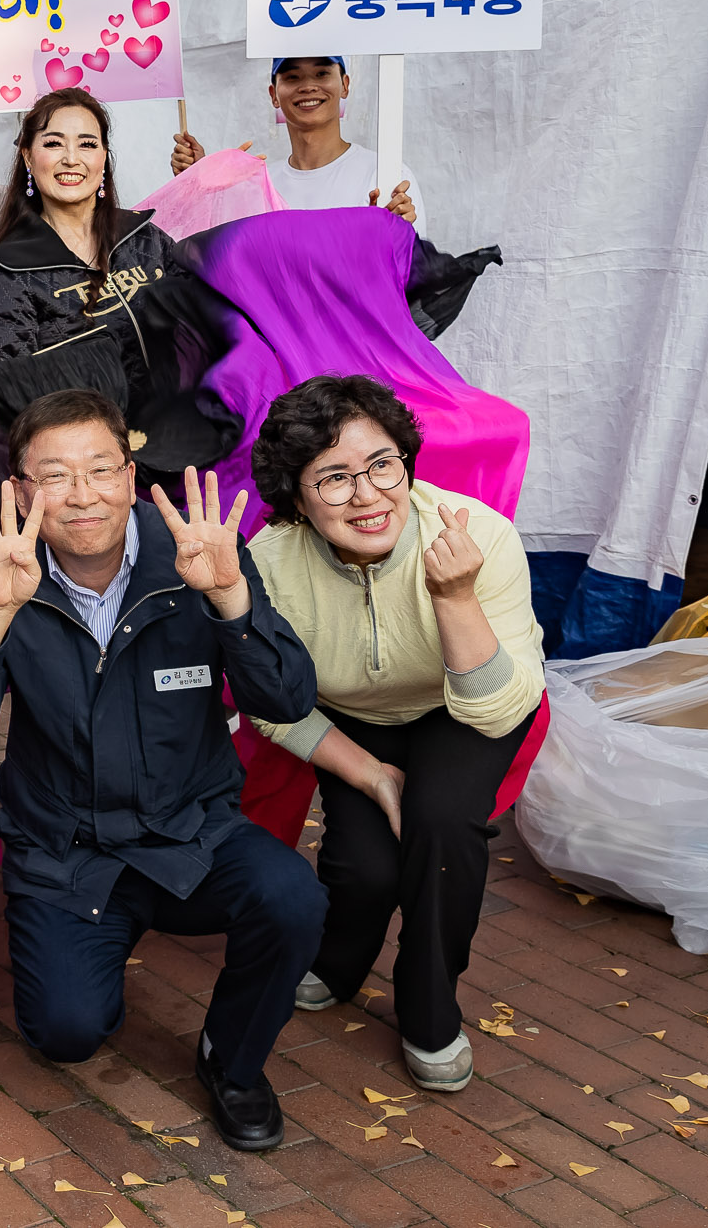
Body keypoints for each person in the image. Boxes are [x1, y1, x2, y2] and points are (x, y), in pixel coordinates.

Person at [0, 389, 323, 1150]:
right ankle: (95, 949)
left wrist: (232, 597)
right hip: (66, 849)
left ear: (131, 477)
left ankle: (231, 1062)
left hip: (190, 834)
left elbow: (288, 696)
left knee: (292, 897)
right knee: (67, 1031)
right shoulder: (1, 569)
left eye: (101, 469)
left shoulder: (193, 552)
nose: (83, 494)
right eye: (55, 475)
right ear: (19, 492)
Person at [242, 374, 542, 1094]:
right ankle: (341, 960)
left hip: (464, 700)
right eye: (335, 477)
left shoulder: (478, 536)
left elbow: (499, 710)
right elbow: (269, 702)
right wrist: (369, 773)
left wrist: (454, 595)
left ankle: (429, 999)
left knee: (442, 827)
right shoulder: (271, 562)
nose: (368, 494)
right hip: (354, 719)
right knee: (364, 866)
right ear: (298, 497)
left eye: (382, 464)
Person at [0, 89, 188, 414]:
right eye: (53, 143)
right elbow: (13, 392)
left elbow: (206, 320)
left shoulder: (144, 238)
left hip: (183, 433)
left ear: (104, 156)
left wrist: (224, 185)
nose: (71, 158)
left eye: (87, 144)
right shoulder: (11, 270)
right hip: (94, 455)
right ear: (27, 156)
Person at [169, 58, 419, 224]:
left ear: (344, 85)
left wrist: (398, 235)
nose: (308, 86)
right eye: (292, 77)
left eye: (321, 73)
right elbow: (222, 261)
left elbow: (412, 282)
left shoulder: (386, 176)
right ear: (273, 95)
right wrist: (202, 186)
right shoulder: (258, 185)